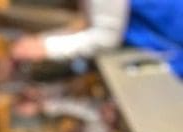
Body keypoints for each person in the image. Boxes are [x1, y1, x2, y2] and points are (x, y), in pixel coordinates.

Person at [10, 0, 183, 78]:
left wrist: (46, 47)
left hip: (171, 48)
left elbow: (106, 37)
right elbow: (89, 22)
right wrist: (43, 40)